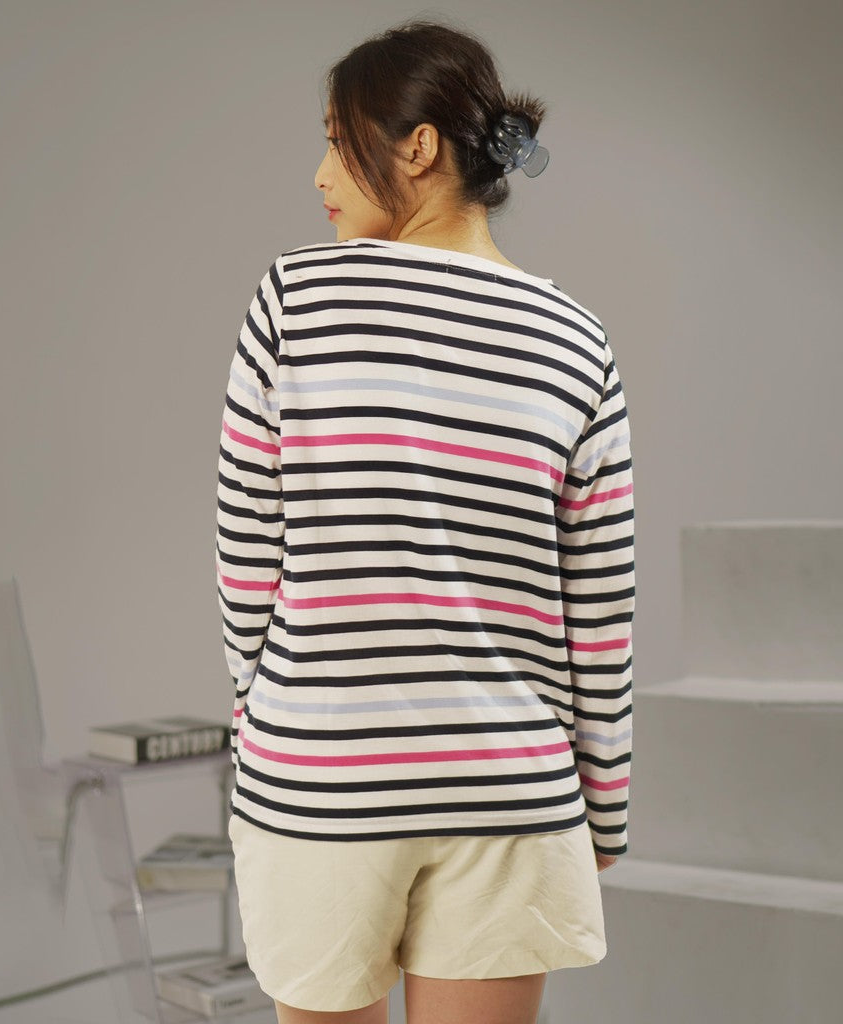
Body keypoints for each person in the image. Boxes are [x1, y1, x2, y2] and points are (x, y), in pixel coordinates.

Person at [215, 17, 635, 1024]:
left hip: (321, 779)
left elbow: (247, 558)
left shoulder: (296, 299)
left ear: (418, 147)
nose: (321, 175)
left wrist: (263, 724)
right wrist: (604, 806)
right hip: (509, 796)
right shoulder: (577, 339)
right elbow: (599, 608)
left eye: (337, 141)